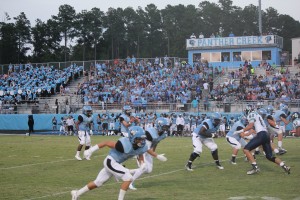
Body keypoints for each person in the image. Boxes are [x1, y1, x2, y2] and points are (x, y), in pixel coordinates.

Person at [71, 126, 167, 200]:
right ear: (133, 138)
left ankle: (76, 194)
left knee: (98, 183)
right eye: (139, 139)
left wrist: (142, 163)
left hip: (116, 164)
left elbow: (140, 153)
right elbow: (106, 143)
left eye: (142, 139)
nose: (141, 141)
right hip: (111, 161)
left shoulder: (141, 146)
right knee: (128, 177)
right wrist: (91, 150)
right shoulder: (124, 144)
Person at [233, 106, 291, 175]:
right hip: (266, 135)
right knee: (269, 156)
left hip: (261, 134)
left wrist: (240, 131)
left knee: (246, 149)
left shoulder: (252, 114)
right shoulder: (258, 115)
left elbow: (250, 126)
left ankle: (255, 167)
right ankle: (285, 166)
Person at [129, 117, 169, 190]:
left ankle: (127, 172)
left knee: (149, 170)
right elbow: (145, 148)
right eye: (164, 127)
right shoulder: (150, 132)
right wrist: (157, 156)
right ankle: (130, 182)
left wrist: (153, 152)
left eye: (167, 127)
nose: (165, 129)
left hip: (148, 150)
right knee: (143, 167)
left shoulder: (163, 135)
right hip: (141, 150)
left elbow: (156, 142)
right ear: (159, 125)